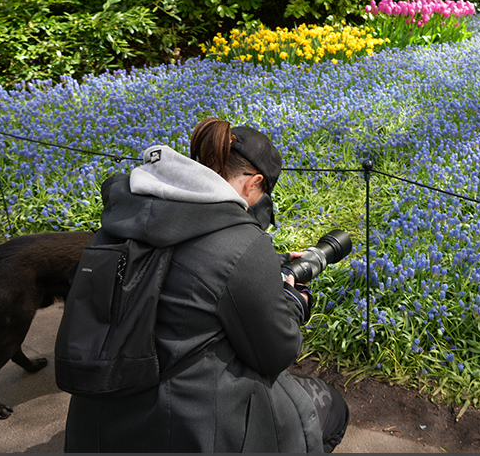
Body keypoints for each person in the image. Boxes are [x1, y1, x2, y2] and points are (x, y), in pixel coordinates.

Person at [64, 117, 348, 453]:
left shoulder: (124, 217)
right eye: (262, 194)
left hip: (97, 419)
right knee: (331, 408)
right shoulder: (240, 242)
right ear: (253, 183)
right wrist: (289, 298)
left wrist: (265, 268)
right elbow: (277, 352)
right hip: (188, 429)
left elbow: (181, 270)